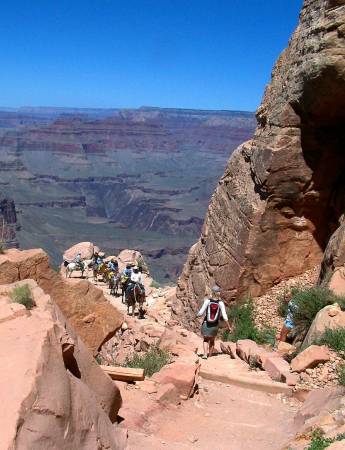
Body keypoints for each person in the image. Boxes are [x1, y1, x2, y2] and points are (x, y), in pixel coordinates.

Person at [196, 285, 231, 359]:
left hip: (206, 323)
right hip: (215, 325)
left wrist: (196, 316)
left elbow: (201, 312)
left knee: (205, 340)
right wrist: (229, 326)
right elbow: (225, 316)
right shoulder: (220, 303)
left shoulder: (207, 301)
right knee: (212, 341)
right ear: (219, 293)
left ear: (212, 292)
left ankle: (205, 354)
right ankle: (210, 356)